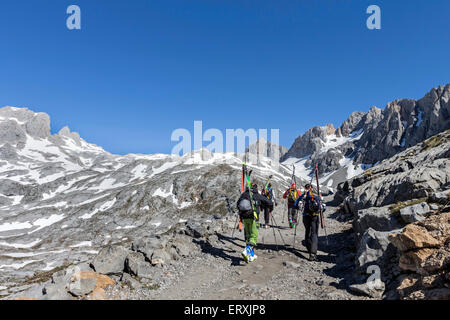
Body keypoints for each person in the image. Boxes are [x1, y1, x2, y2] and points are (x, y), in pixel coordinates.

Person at [237, 183, 272, 263]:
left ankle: (251, 255)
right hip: (253, 218)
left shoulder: (243, 194)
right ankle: (246, 251)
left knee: (248, 236)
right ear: (256, 188)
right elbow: (268, 202)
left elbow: (238, 204)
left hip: (244, 218)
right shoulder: (256, 195)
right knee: (254, 236)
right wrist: (269, 207)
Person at [294, 184, 326, 261]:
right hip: (315, 216)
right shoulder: (317, 196)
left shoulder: (303, 196)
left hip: (305, 216)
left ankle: (309, 248)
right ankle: (313, 253)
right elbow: (324, 207)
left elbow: (295, 205)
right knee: (314, 233)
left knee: (307, 231)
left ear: (306, 188)